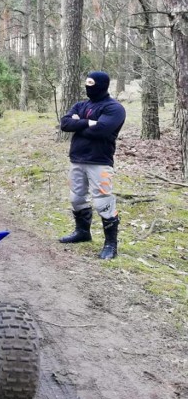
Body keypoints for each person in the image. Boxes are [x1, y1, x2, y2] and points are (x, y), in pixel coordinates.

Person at [59, 71, 126, 259]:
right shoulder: (81, 104)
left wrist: (78, 125)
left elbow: (101, 131)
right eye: (86, 83)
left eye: (92, 83)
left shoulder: (114, 108)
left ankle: (111, 244)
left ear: (102, 85)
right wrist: (89, 122)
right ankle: (82, 232)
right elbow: (64, 124)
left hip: (100, 161)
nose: (88, 87)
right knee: (76, 198)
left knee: (103, 201)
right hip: (77, 159)